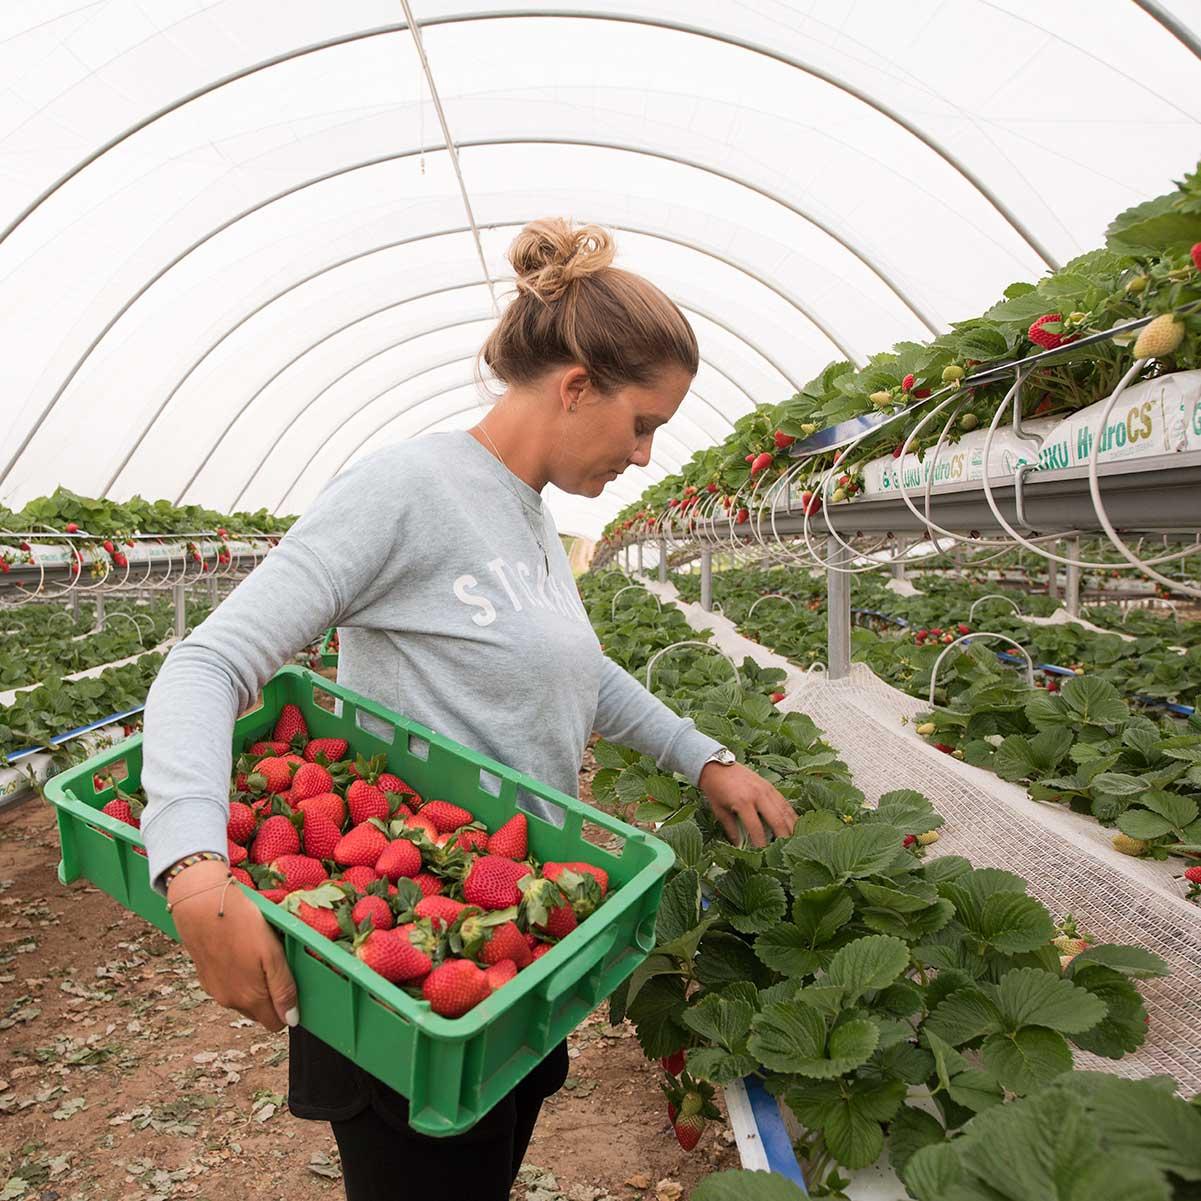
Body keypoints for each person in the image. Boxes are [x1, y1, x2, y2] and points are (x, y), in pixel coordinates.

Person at [139, 218, 798, 1201]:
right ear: (576, 386)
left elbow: (577, 673)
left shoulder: (531, 512)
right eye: (643, 423)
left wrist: (703, 755)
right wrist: (193, 868)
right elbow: (209, 662)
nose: (648, 455)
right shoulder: (407, 488)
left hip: (509, 940)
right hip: (403, 966)